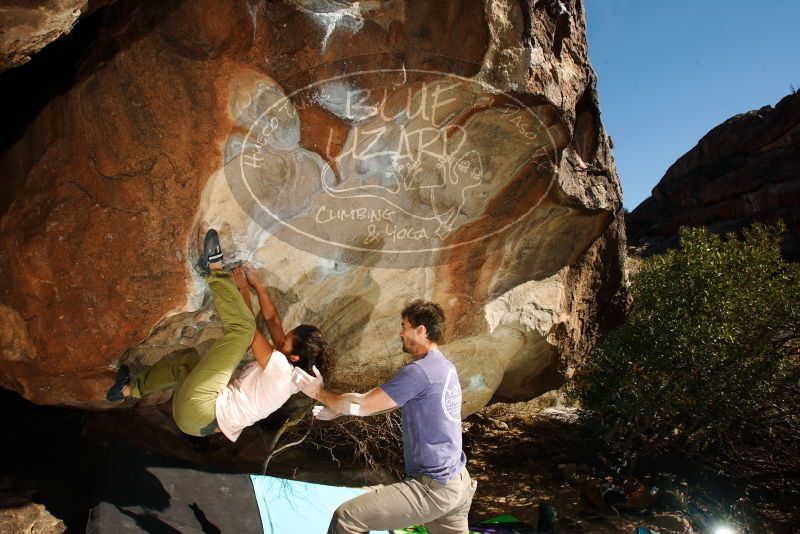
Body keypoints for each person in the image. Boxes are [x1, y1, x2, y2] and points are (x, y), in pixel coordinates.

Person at [105, 229, 333, 442]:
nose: (280, 339)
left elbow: (248, 331)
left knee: (241, 332)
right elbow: (272, 320)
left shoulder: (282, 373)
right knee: (188, 363)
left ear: (293, 357)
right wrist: (258, 286)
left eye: (285, 341)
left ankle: (212, 268)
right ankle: (127, 389)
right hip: (194, 424)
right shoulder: (293, 370)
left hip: (201, 409)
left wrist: (242, 288)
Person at [292, 300, 475, 534]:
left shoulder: (419, 372)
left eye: (404, 326)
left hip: (433, 486)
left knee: (347, 519)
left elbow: (364, 404)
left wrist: (318, 392)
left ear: (420, 331)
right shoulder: (444, 367)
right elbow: (381, 401)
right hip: (458, 483)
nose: (400, 333)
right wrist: (341, 408)